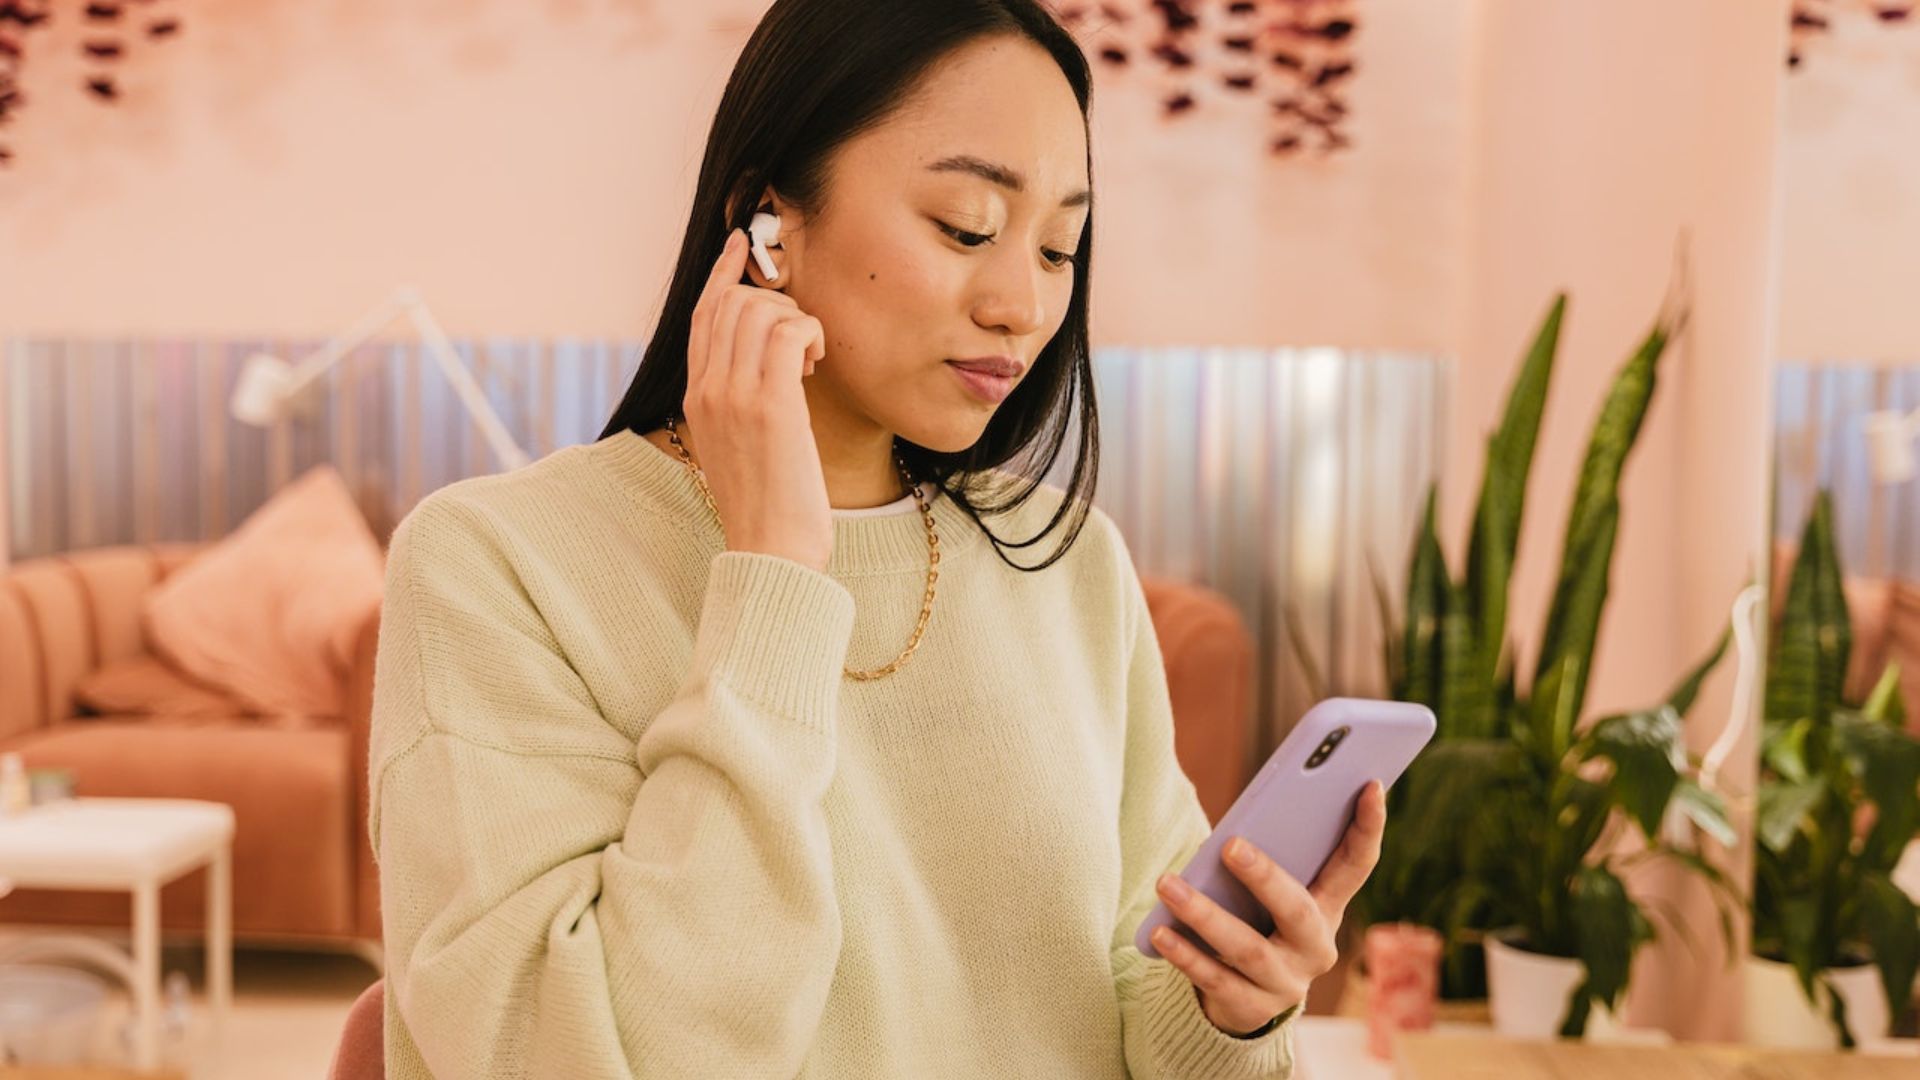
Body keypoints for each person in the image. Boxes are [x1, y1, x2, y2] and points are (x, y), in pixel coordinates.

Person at [366, 1, 1386, 1076]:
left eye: (1058, 247)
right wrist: (771, 580)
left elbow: (1132, 990)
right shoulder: (495, 567)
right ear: (768, 223)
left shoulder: (1069, 562)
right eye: (965, 227)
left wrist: (1231, 1010)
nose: (1021, 304)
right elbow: (597, 1052)